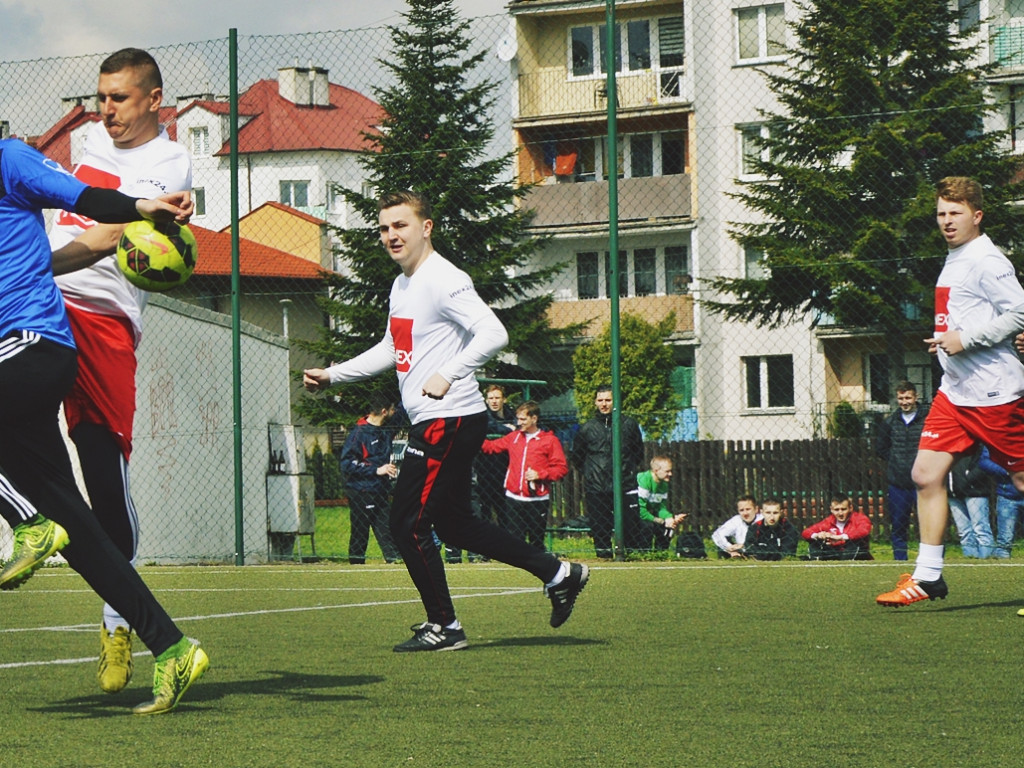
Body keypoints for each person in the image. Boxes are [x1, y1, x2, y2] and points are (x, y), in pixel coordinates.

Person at [303, 190, 588, 651]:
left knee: (407, 523)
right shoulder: (403, 285)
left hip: (448, 419)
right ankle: (559, 573)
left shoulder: (444, 278)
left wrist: (448, 373)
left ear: (426, 227)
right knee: (453, 525)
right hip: (442, 420)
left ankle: (446, 626)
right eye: (384, 228)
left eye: (401, 225)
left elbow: (495, 332)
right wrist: (333, 375)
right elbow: (391, 349)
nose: (391, 235)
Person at [0, 135, 207, 714]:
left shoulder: (8, 159)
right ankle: (172, 648)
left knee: (54, 513)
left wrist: (142, 207)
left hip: (37, 346)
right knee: (73, 518)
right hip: (9, 369)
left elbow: (88, 198)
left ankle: (24, 522)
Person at [44, 47, 194, 696]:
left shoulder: (169, 163)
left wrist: (36, 267)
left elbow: (109, 233)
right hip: (43, 307)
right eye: (100, 97)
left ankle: (117, 621)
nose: (104, 110)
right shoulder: (82, 141)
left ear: (154, 99)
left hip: (103, 319)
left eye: (119, 99)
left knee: (103, 472)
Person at [877, 177, 1024, 608]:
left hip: (995, 395)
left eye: (955, 213)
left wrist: (966, 339)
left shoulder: (987, 259)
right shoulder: (956, 257)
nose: (946, 221)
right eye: (941, 213)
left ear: (977, 216)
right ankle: (927, 577)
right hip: (954, 394)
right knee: (924, 474)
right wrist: (948, 340)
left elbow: (1020, 308)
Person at [479, 400, 568, 549]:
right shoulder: (514, 437)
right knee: (515, 542)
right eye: (518, 419)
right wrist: (472, 437)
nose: (519, 423)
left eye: (523, 419)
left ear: (534, 419)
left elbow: (561, 468)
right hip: (513, 498)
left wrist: (541, 474)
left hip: (537, 499)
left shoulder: (549, 441)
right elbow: (491, 447)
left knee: (536, 542)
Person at [571, 386, 644, 558]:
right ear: (595, 402)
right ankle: (603, 557)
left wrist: (627, 471)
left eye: (608, 400)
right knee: (600, 527)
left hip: (625, 486)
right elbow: (577, 457)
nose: (604, 404)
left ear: (615, 401)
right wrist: (591, 474)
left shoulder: (629, 425)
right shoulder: (587, 428)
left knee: (631, 526)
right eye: (600, 400)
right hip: (597, 488)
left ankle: (631, 557)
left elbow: (638, 453)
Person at [339, 395, 402, 565]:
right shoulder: (359, 434)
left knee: (386, 528)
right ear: (383, 411)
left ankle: (394, 560)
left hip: (380, 490)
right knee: (360, 532)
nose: (394, 412)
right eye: (391, 409)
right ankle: (356, 564)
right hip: (361, 490)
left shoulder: (386, 429)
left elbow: (403, 411)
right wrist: (376, 470)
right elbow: (347, 464)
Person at [875, 381, 929, 561]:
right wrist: (897, 460)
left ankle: (929, 560)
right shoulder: (890, 421)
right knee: (898, 525)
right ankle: (900, 559)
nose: (904, 401)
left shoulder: (928, 418)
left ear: (915, 397)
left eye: (908, 398)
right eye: (900, 398)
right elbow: (881, 448)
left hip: (923, 482)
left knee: (928, 524)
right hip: (898, 483)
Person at [626, 455, 686, 551]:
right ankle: (643, 553)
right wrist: (662, 521)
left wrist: (670, 518)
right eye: (667, 471)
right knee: (647, 526)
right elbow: (641, 511)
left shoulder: (664, 484)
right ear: (656, 470)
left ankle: (661, 552)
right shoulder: (644, 480)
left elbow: (660, 508)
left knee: (669, 527)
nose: (670, 474)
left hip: (647, 514)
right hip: (632, 514)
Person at [946, 449, 995, 558]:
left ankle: (986, 559)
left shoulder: (976, 443)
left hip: (975, 491)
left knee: (980, 527)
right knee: (964, 530)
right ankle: (970, 558)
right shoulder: (944, 444)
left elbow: (983, 463)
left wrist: (967, 479)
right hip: (952, 492)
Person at [978, 445, 1024, 558]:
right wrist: (1010, 471)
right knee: (1004, 542)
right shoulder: (997, 438)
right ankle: (1001, 562)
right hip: (1008, 495)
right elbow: (984, 462)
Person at [802, 493, 873, 560]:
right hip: (835, 552)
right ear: (831, 509)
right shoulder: (828, 521)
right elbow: (806, 532)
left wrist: (840, 537)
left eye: (843, 509)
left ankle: (847, 562)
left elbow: (864, 531)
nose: (840, 513)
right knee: (815, 543)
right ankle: (815, 563)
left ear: (850, 508)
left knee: (854, 542)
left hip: (857, 553)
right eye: (836, 510)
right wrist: (818, 535)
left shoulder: (860, 519)